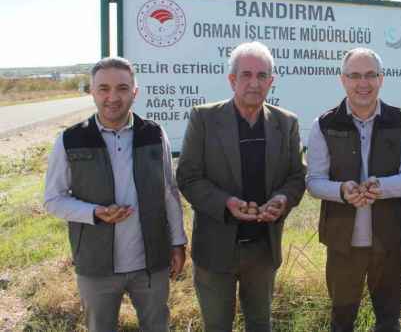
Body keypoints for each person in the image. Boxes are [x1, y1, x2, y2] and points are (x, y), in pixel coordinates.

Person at [44, 57, 187, 332]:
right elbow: (53, 200)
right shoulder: (70, 140)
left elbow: (168, 190)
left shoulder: (154, 134)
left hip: (151, 263)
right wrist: (94, 213)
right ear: (92, 92)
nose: (113, 97)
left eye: (122, 88)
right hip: (96, 266)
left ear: (135, 92)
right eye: (104, 89)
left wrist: (178, 242)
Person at [176, 41, 306, 332]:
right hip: (216, 248)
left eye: (262, 76)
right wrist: (226, 204)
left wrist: (282, 199)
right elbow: (188, 177)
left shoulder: (286, 123)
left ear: (271, 82)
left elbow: (297, 176)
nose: (254, 83)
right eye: (246, 75)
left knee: (260, 324)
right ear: (231, 79)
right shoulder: (204, 119)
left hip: (263, 248)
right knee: (217, 326)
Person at [306, 47, 401, 332]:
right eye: (355, 75)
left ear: (381, 79)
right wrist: (342, 192)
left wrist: (382, 187)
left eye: (370, 75)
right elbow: (314, 181)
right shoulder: (324, 124)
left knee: (388, 320)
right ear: (343, 80)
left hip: (389, 242)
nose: (363, 83)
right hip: (342, 245)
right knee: (342, 321)